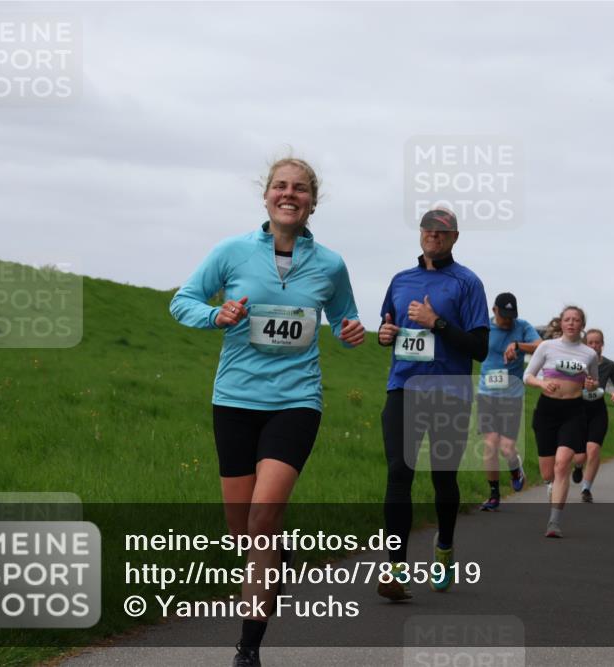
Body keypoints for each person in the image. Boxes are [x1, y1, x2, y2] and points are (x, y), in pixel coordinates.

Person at [169, 157, 365, 667]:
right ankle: (280, 555)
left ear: (311, 202)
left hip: (296, 402)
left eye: (300, 189)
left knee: (262, 515)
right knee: (244, 531)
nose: (289, 194)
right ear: (266, 196)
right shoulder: (231, 252)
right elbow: (182, 301)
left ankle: (247, 648)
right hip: (234, 400)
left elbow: (346, 319)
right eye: (281, 186)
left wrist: (350, 331)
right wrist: (217, 314)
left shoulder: (330, 264)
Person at [376, 208, 489, 600]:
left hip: (450, 393)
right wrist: (385, 334)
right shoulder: (400, 280)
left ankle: (444, 549)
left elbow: (479, 347)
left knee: (443, 478)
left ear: (455, 237)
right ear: (420, 233)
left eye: (442, 233)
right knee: (398, 472)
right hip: (404, 387)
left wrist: (436, 322)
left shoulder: (468, 283)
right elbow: (387, 328)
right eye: (428, 230)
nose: (433, 237)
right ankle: (394, 568)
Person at [523, 306, 601, 537]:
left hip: (574, 411)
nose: (571, 323)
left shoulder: (588, 354)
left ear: (582, 325)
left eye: (576, 320)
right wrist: (542, 384)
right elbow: (527, 376)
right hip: (547, 410)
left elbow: (594, 381)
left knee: (563, 462)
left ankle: (554, 522)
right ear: (561, 323)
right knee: (548, 471)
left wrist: (590, 385)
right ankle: (551, 485)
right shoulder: (547, 347)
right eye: (567, 319)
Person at [477, 293, 541, 511]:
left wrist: (518, 345)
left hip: (512, 396)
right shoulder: (483, 326)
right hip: (486, 393)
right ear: (494, 311)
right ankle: (494, 494)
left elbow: (540, 347)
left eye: (511, 315)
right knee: (490, 444)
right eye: (504, 316)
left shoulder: (522, 327)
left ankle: (515, 468)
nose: (508, 320)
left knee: (506, 448)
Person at [575, 328, 614, 502]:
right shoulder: (577, 363)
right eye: (590, 342)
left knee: (594, 449)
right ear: (585, 345)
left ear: (602, 345)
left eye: (597, 342)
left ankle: (586, 489)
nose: (594, 345)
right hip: (578, 411)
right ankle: (578, 465)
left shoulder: (609, 365)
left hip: (598, 411)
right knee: (579, 455)